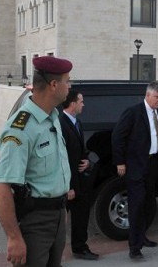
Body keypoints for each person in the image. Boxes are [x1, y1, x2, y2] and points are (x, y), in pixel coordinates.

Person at [0, 56, 72, 266]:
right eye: (67, 81)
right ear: (54, 85)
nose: (70, 86)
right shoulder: (20, 129)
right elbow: (1, 186)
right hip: (35, 222)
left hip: (56, 216)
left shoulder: (52, 116)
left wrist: (60, 208)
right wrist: (14, 237)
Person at [111, 81, 158, 260]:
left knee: (149, 204)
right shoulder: (133, 112)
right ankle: (134, 248)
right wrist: (120, 162)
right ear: (147, 95)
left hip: (152, 164)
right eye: (157, 97)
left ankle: (142, 237)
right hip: (135, 165)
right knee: (136, 205)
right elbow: (117, 136)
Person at [60, 90, 99, 260]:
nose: (83, 104)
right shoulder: (60, 124)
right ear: (72, 103)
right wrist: (68, 187)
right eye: (81, 101)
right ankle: (52, 256)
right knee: (59, 222)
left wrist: (87, 161)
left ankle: (80, 248)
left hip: (80, 181)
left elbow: (80, 150)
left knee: (81, 216)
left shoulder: (77, 122)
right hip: (67, 184)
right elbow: (61, 158)